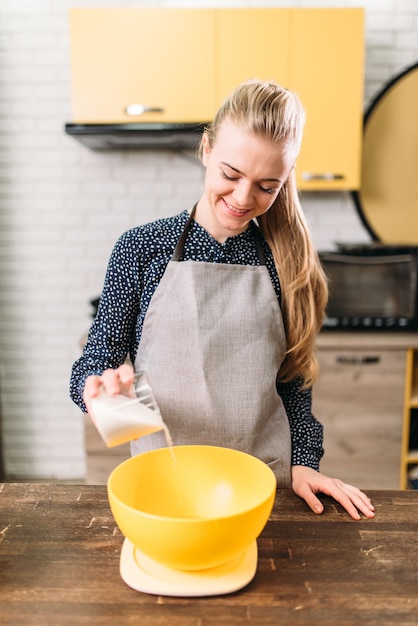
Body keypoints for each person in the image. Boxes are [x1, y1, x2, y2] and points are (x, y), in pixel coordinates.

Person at [70, 79, 375, 521]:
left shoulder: (284, 261)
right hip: (163, 489)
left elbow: (293, 382)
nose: (242, 198)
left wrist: (305, 461)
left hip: (259, 488)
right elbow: (95, 360)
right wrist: (99, 389)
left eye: (267, 186)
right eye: (231, 175)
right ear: (206, 149)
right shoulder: (140, 248)